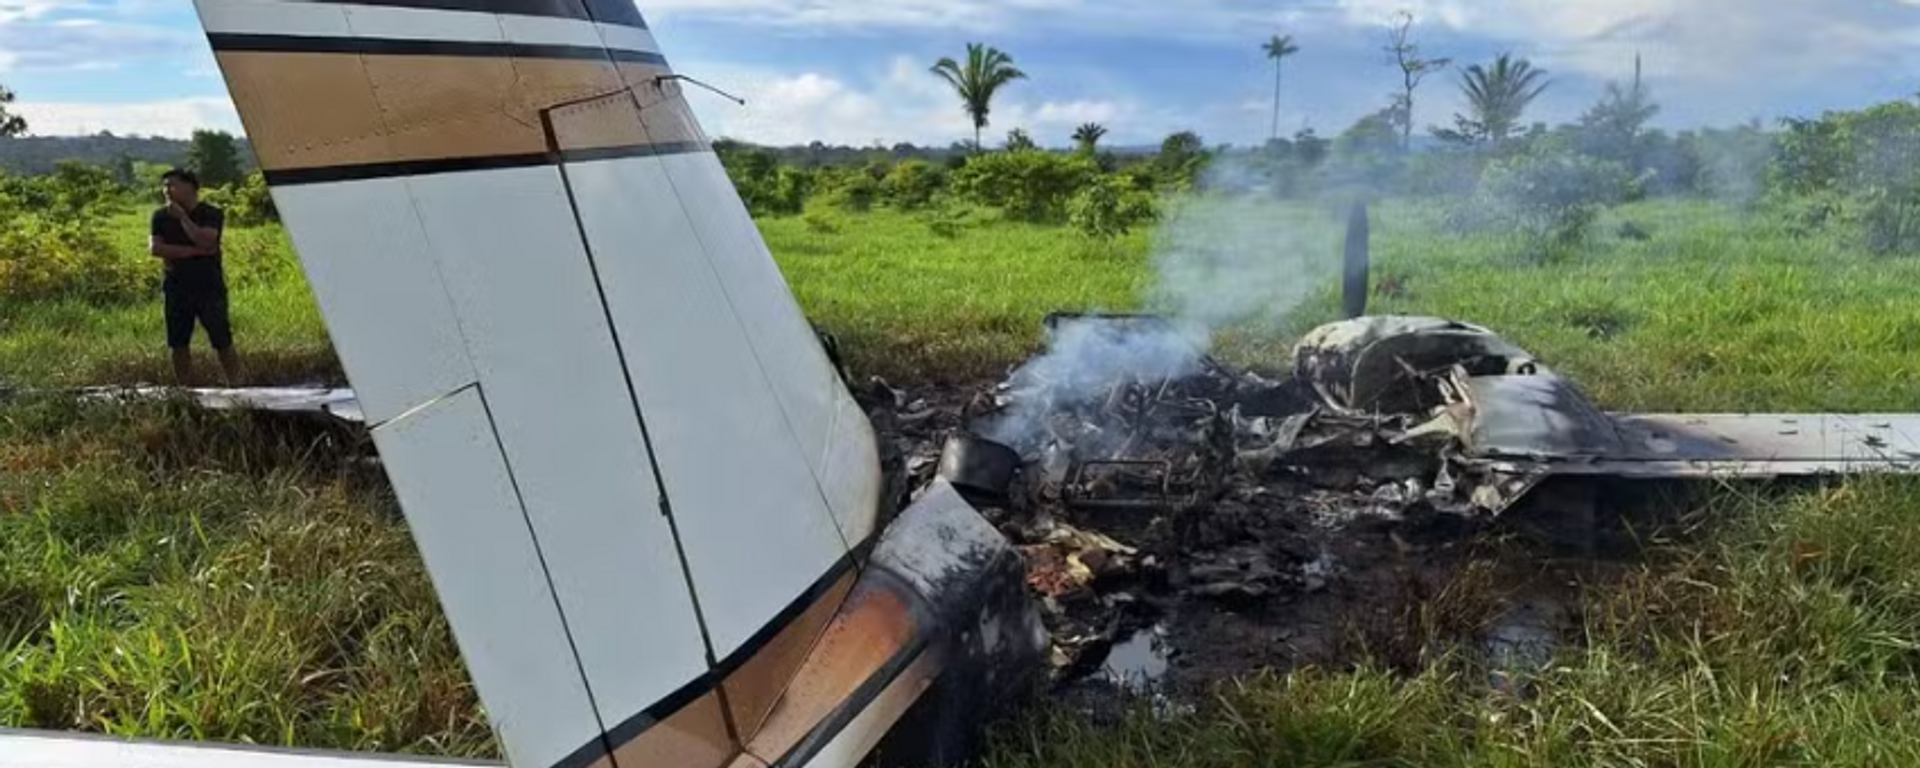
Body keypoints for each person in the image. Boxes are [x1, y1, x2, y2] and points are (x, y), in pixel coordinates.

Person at [149, 168, 242, 385]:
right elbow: (156, 249)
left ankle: (237, 386)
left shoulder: (211, 213)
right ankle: (186, 390)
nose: (167, 190)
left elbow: (206, 241)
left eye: (172, 185)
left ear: (190, 187)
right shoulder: (160, 216)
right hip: (176, 286)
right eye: (164, 186)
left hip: (208, 286)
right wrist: (192, 252)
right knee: (178, 342)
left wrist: (183, 218)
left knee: (222, 339)